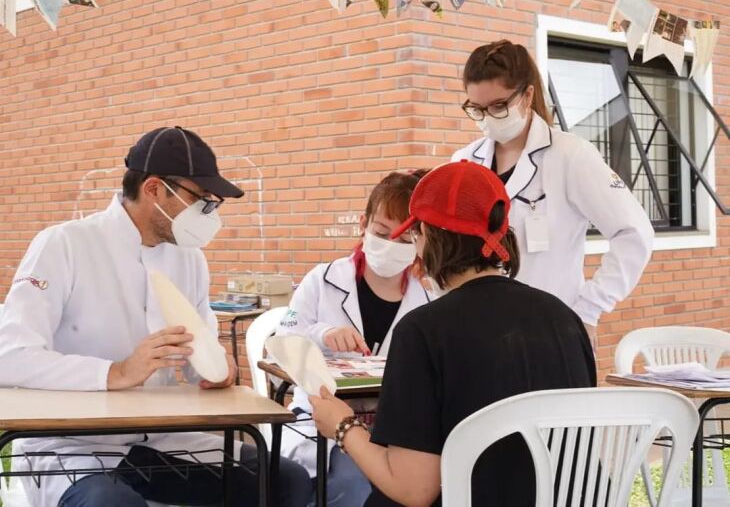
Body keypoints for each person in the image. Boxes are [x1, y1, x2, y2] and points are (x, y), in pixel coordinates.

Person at [0, 127, 311, 507]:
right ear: (153, 189)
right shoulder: (64, 245)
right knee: (110, 503)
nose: (207, 214)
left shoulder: (189, 258)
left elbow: (201, 350)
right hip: (75, 444)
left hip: (166, 436)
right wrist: (115, 373)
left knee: (285, 480)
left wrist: (216, 369)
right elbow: (10, 356)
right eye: (202, 201)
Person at [309, 160, 597, 506]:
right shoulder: (564, 318)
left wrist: (342, 426)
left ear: (430, 236)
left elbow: (414, 489)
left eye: (414, 235)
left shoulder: (423, 331)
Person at [452, 40, 654, 346]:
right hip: (477, 332)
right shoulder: (464, 162)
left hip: (552, 330)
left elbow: (635, 234)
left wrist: (588, 310)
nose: (488, 118)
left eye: (498, 106)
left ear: (528, 94)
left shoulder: (570, 156)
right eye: (477, 109)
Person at [277, 170, 431, 506]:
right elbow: (282, 337)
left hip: (396, 429)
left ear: (421, 241)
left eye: (405, 240)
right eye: (381, 232)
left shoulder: (429, 297)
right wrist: (323, 333)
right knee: (354, 483)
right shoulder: (322, 279)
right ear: (363, 223)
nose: (391, 246)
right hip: (323, 420)